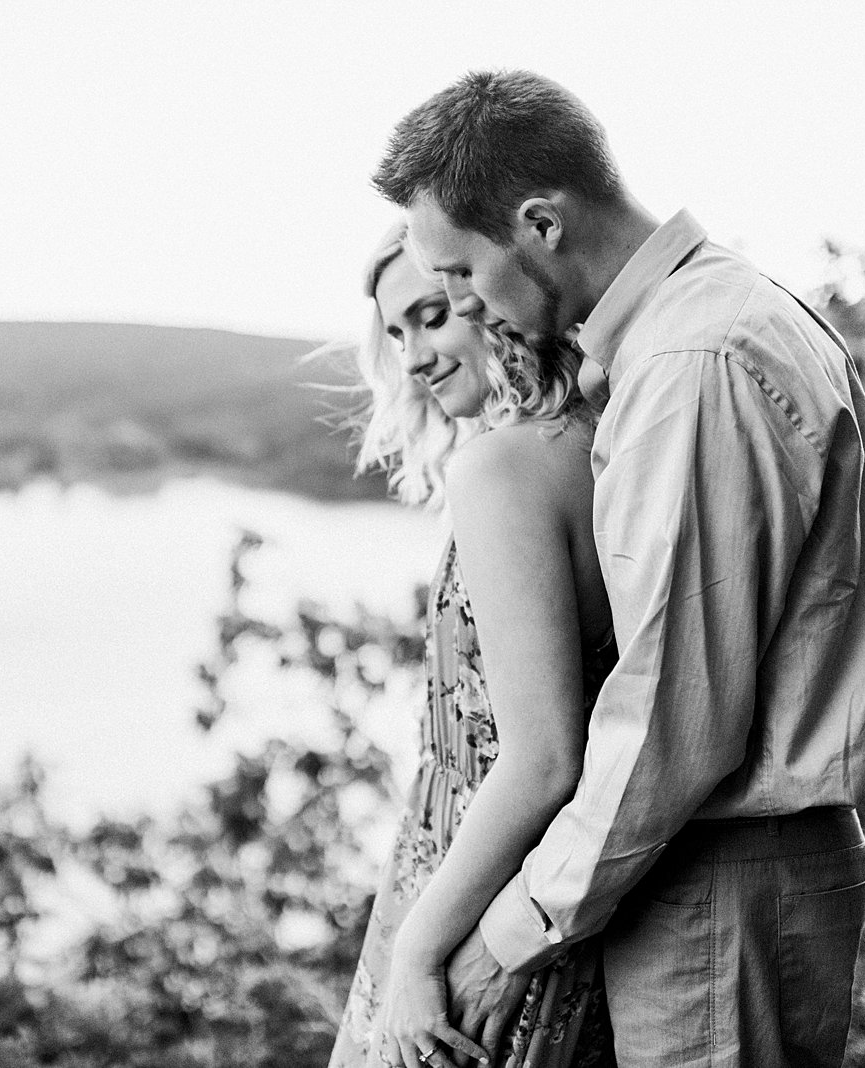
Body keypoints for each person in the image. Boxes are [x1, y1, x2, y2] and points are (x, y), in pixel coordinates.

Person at [371, 70, 865, 1068]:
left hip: (722, 880)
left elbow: (672, 713)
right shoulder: (689, 333)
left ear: (539, 223)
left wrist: (511, 932)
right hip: (707, 878)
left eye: (461, 275)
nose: (463, 304)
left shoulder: (695, 362)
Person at [326, 220, 618, 1068]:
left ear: (486, 299)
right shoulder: (598, 444)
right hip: (550, 907)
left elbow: (542, 758)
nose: (412, 357)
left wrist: (416, 951)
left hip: (472, 905)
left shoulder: (501, 469)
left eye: (432, 314)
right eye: (395, 333)